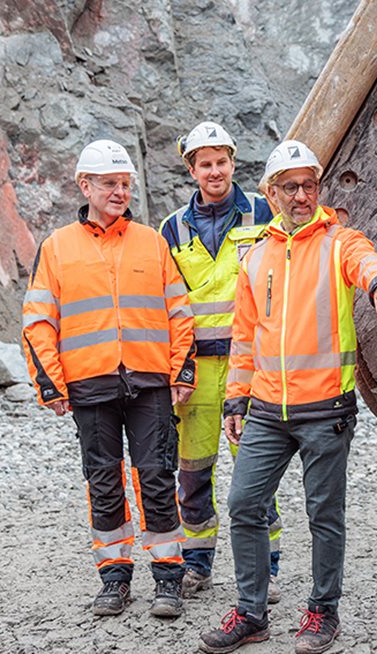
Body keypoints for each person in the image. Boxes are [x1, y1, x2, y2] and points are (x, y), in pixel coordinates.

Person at [199, 140, 377, 654]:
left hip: (326, 412)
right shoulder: (256, 256)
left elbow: (365, 260)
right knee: (244, 504)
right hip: (267, 411)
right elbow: (244, 336)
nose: (301, 195)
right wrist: (235, 399)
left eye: (309, 185)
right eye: (290, 186)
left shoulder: (339, 242)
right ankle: (252, 613)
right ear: (271, 193)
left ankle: (323, 613)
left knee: (324, 515)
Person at [22, 139, 197, 618]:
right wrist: (51, 383)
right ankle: (114, 578)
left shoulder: (152, 242)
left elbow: (180, 313)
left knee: (157, 476)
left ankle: (168, 578)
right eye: (110, 183)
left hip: (151, 381)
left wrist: (182, 368)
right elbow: (38, 321)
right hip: (89, 384)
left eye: (125, 184)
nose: (120, 192)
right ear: (86, 185)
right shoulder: (57, 248)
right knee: (103, 481)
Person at [159, 121, 286, 601]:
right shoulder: (171, 228)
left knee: (255, 475)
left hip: (249, 368)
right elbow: (167, 305)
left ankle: (266, 569)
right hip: (197, 373)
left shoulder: (261, 210)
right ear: (191, 169)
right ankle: (197, 565)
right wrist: (177, 370)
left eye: (222, 161)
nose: (215, 171)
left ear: (233, 162)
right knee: (192, 475)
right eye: (205, 163)